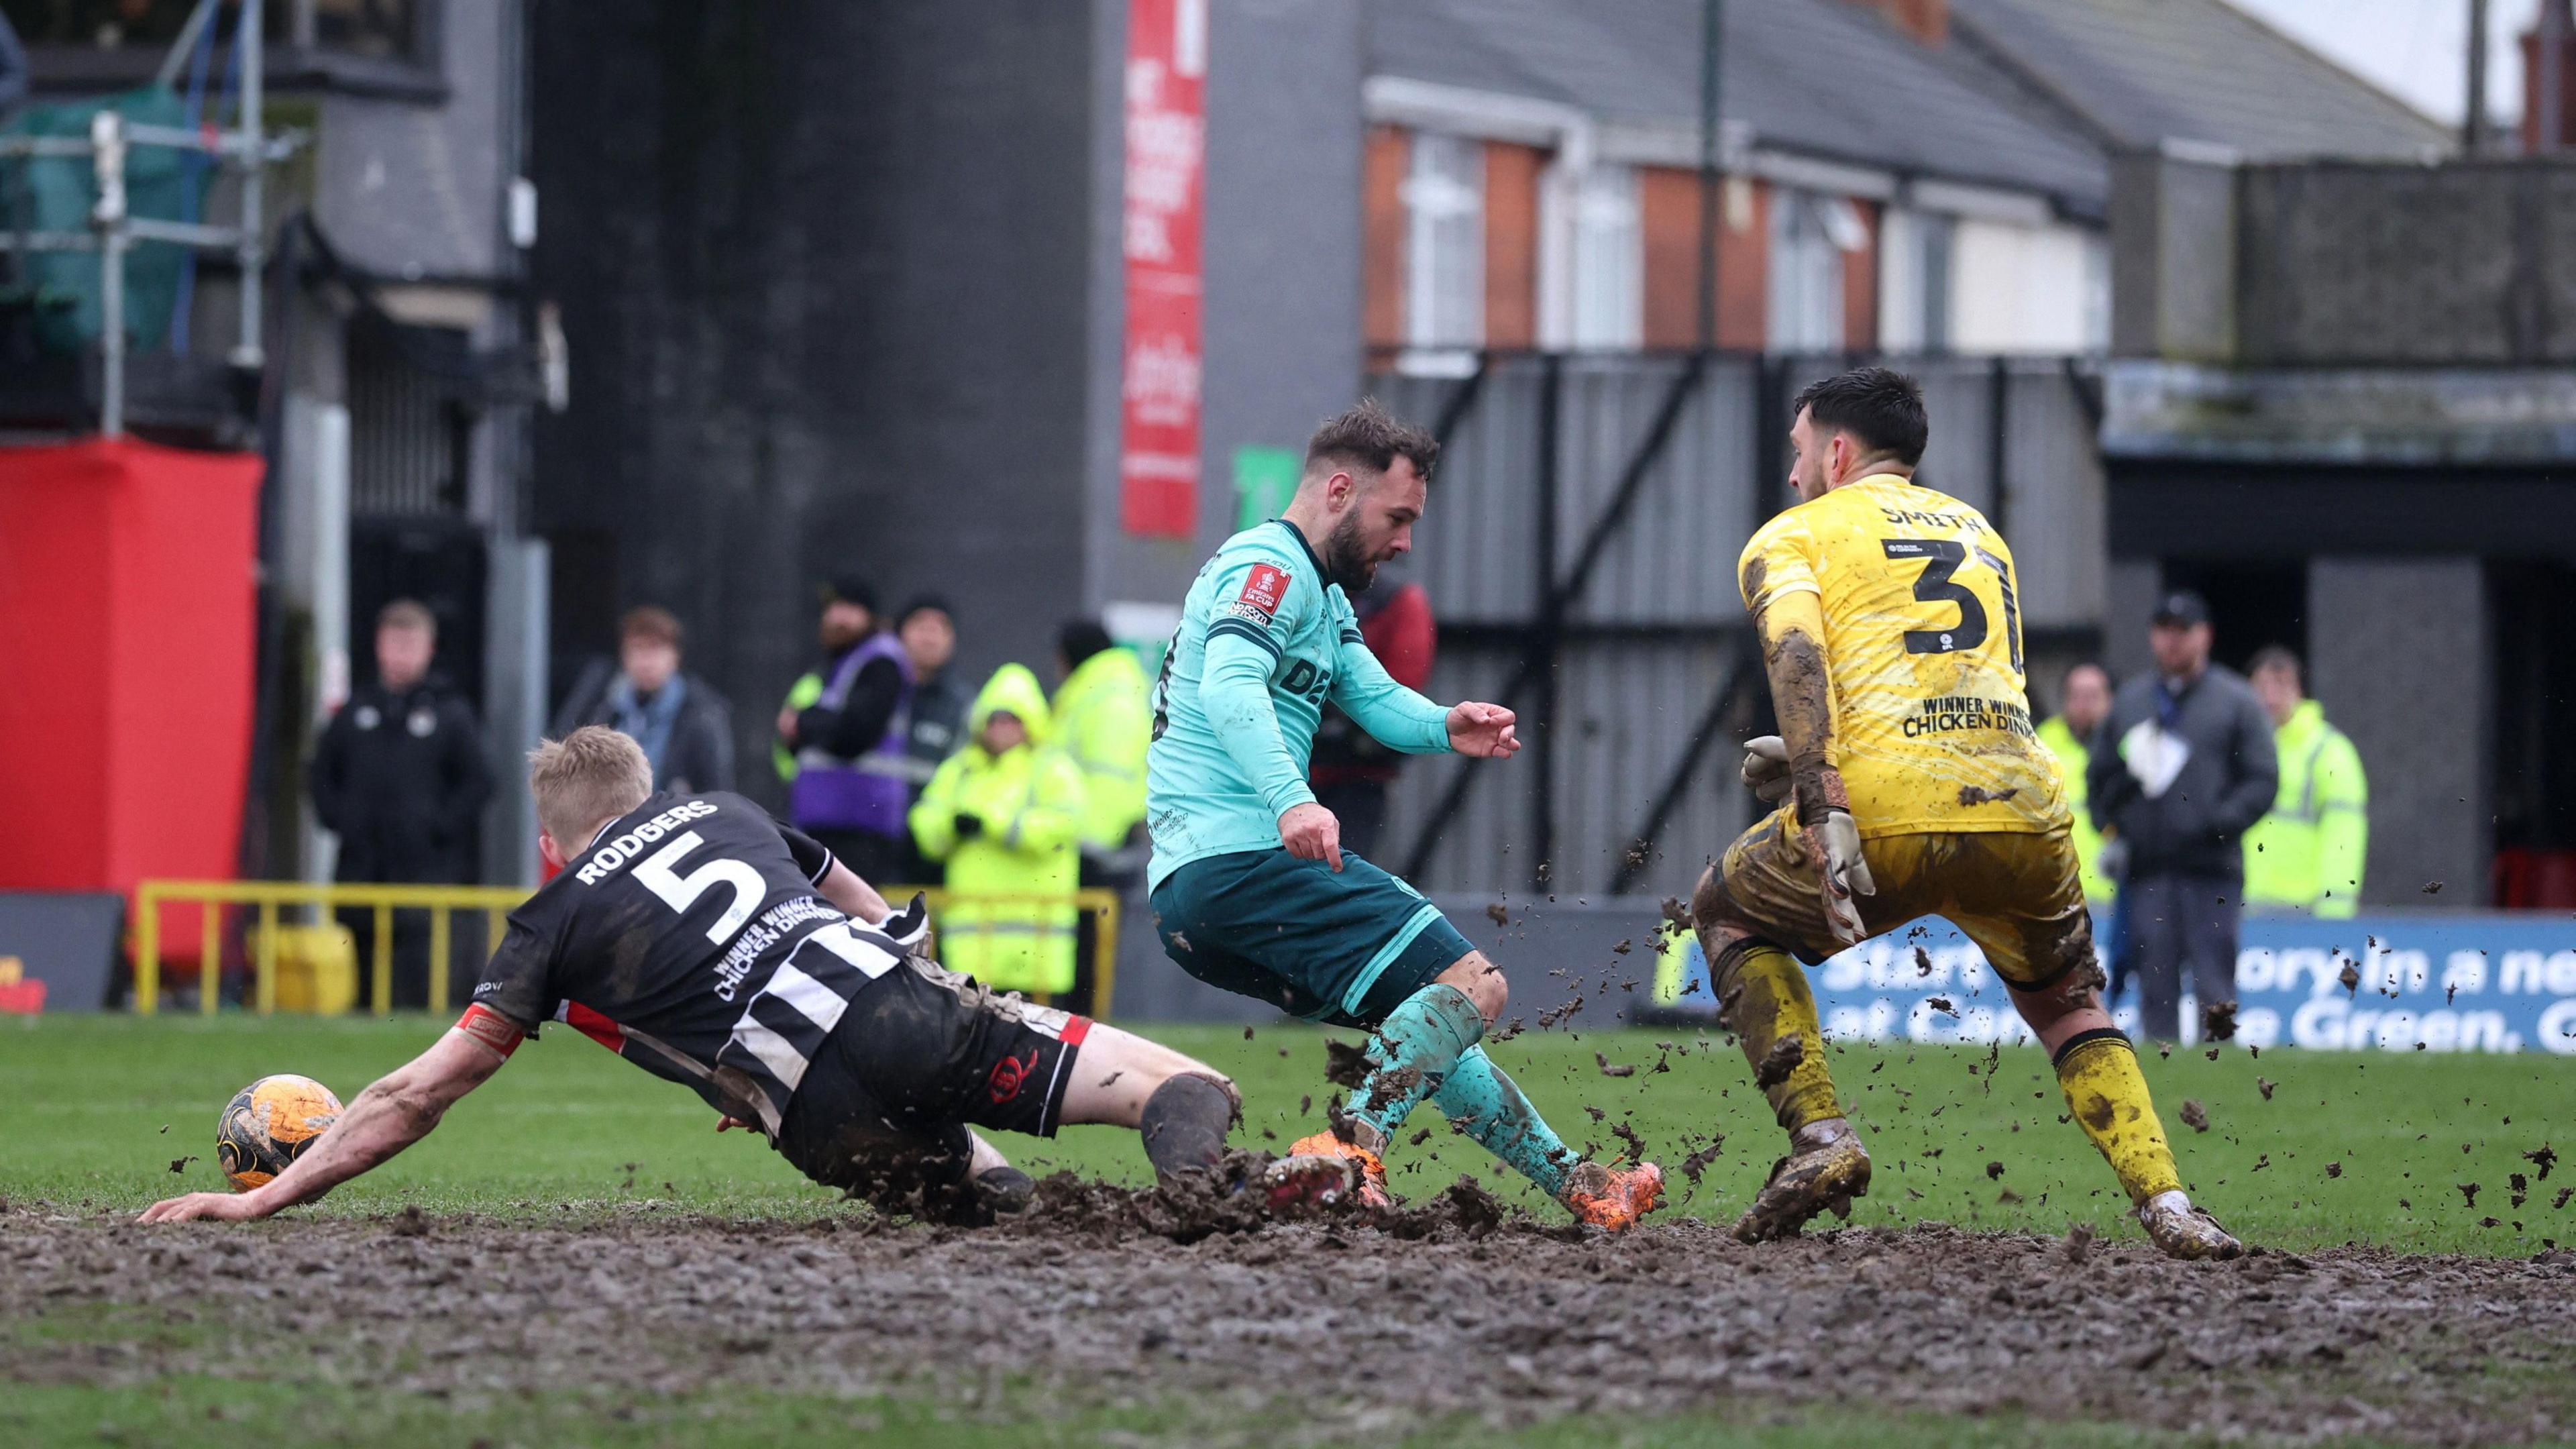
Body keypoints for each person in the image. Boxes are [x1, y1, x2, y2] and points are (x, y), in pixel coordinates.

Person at [140, 727, 1341, 1226]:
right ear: (650, 797)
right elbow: (857, 899)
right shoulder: (725, 807)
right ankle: (1226, 1215)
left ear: (552, 843)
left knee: (997, 1208)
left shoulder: (549, 917)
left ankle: (1027, 1193)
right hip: (896, 1009)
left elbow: (419, 1094)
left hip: (808, 1118)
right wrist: (935, 979)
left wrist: (259, 1204)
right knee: (1186, 1091)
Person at [1699, 367, 2240, 1259]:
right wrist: (1806, 760)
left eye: (1798, 453)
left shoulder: (1792, 534)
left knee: (1721, 912)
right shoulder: (1981, 532)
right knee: (2070, 1003)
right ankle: (2169, 1201)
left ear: (1836, 453)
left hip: (1882, 812)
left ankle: (1823, 1141)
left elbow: (1797, 651)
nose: (1794, 473)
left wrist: (1819, 787)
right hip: (2022, 806)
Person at [1146, 400, 1663, 1230]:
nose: (1405, 542)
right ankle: (1346, 1149)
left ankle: (1583, 1188)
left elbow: (1373, 697)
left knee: (1427, 1025)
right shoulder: (1267, 569)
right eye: (1398, 518)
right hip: (1243, 859)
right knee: (1475, 986)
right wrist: (1294, 801)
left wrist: (1442, 726)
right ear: (1341, 490)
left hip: (1195, 892)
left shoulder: (1319, 591)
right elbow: (1229, 685)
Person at [2087, 592, 2277, 1046]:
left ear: (2205, 636)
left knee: (2215, 982)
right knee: (2155, 982)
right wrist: (2114, 824)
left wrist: (2217, 823)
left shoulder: (2236, 702)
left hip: (2212, 871)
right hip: (2148, 870)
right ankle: (2163, 1069)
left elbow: (2263, 779)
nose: (2173, 643)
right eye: (2165, 632)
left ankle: (2221, 1075)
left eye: (2183, 632)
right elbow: (2099, 776)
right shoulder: (2132, 702)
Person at [309, 599, 494, 1010]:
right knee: (364, 970)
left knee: (418, 976)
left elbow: (480, 782)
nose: (401, 653)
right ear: (378, 646)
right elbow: (320, 774)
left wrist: (436, 828)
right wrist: (342, 820)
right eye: (394, 642)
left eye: (410, 643)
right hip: (361, 866)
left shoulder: (450, 713)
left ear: (429, 648)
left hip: (423, 871)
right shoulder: (356, 711)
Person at [908, 665, 1089, 999]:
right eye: (994, 719)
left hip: (1037, 943)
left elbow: (1064, 826)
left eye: (1012, 719)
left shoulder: (1052, 769)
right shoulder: (960, 769)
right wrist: (951, 827)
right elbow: (925, 821)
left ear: (1030, 721)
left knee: (1037, 1040)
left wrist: (993, 824)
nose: (1001, 728)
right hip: (972, 941)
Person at [775, 577, 916, 885]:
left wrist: (805, 722)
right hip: (829, 822)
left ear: (871, 616)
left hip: (857, 825)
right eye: (832, 608)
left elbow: (856, 733)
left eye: (849, 608)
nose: (837, 618)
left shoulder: (881, 661)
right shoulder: (843, 665)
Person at [1053, 619, 1153, 1012]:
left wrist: (1088, 839)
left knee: (1085, 947)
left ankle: (1082, 1027)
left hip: (1090, 843)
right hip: (1099, 838)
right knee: (1087, 946)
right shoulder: (1113, 688)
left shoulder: (1102, 694)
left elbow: (1105, 778)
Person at [1308, 580, 1436, 858]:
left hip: (1355, 779)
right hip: (1285, 777)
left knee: (1339, 877)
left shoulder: (1397, 599)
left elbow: (1401, 688)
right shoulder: (1299, 588)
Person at [551, 606, 735, 794]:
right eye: (638, 649)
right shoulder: (600, 703)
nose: (647, 661)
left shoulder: (702, 714)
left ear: (675, 656)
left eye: (655, 649)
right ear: (624, 656)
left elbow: (717, 789)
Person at [2242, 645, 2368, 917]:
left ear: (2299, 691)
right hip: (2241, 908)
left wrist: (2335, 911)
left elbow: (2344, 836)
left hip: (2303, 914)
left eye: (2281, 684)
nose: (2271, 696)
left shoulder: (2329, 752)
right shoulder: (2236, 747)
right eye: (2262, 686)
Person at [895, 598, 970, 883]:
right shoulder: (874, 692)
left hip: (928, 852)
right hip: (872, 841)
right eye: (921, 626)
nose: (930, 637)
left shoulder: (963, 706)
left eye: (941, 629)